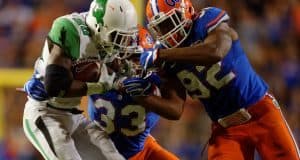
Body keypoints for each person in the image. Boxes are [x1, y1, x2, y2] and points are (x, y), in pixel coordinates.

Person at [122, 0, 300, 159]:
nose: (167, 32)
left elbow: (216, 50)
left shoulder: (205, 20)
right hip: (226, 129)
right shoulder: (165, 57)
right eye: (161, 28)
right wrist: (142, 96)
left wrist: (163, 55)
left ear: (186, 12)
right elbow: (175, 109)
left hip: (260, 112)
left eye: (170, 23)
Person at [22, 0, 139, 159]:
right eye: (117, 37)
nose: (121, 44)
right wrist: (101, 86)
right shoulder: (71, 30)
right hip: (45, 112)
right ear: (100, 28)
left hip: (74, 115)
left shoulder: (103, 36)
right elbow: (55, 87)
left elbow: (120, 67)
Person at [88, 27, 180, 160]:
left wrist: (146, 96)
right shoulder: (99, 73)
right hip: (99, 153)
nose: (140, 64)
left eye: (144, 58)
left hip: (140, 149)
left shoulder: (156, 79)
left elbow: (175, 110)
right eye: (135, 57)